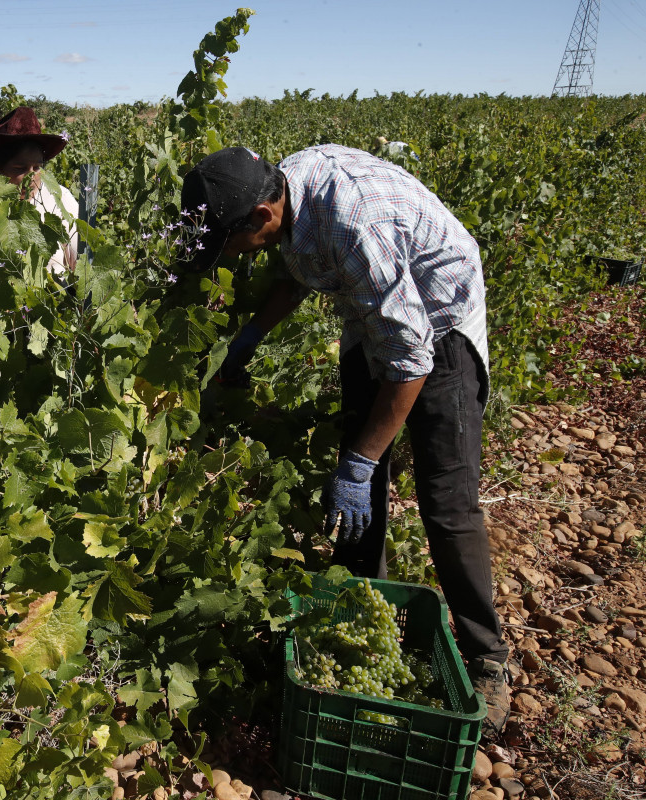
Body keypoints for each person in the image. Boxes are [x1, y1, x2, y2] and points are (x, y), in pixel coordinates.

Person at [178, 144, 511, 738]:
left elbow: (412, 361)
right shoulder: (286, 193)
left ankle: (487, 657)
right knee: (360, 487)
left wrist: (361, 463)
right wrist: (252, 333)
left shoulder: (353, 224)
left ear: (261, 215)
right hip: (375, 316)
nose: (235, 256)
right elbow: (297, 269)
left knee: (446, 499)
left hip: (439, 322)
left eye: (232, 242)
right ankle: (361, 611)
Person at [0, 106, 78, 277]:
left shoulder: (59, 198)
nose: (31, 177)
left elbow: (80, 261)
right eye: (19, 168)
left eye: (36, 168)